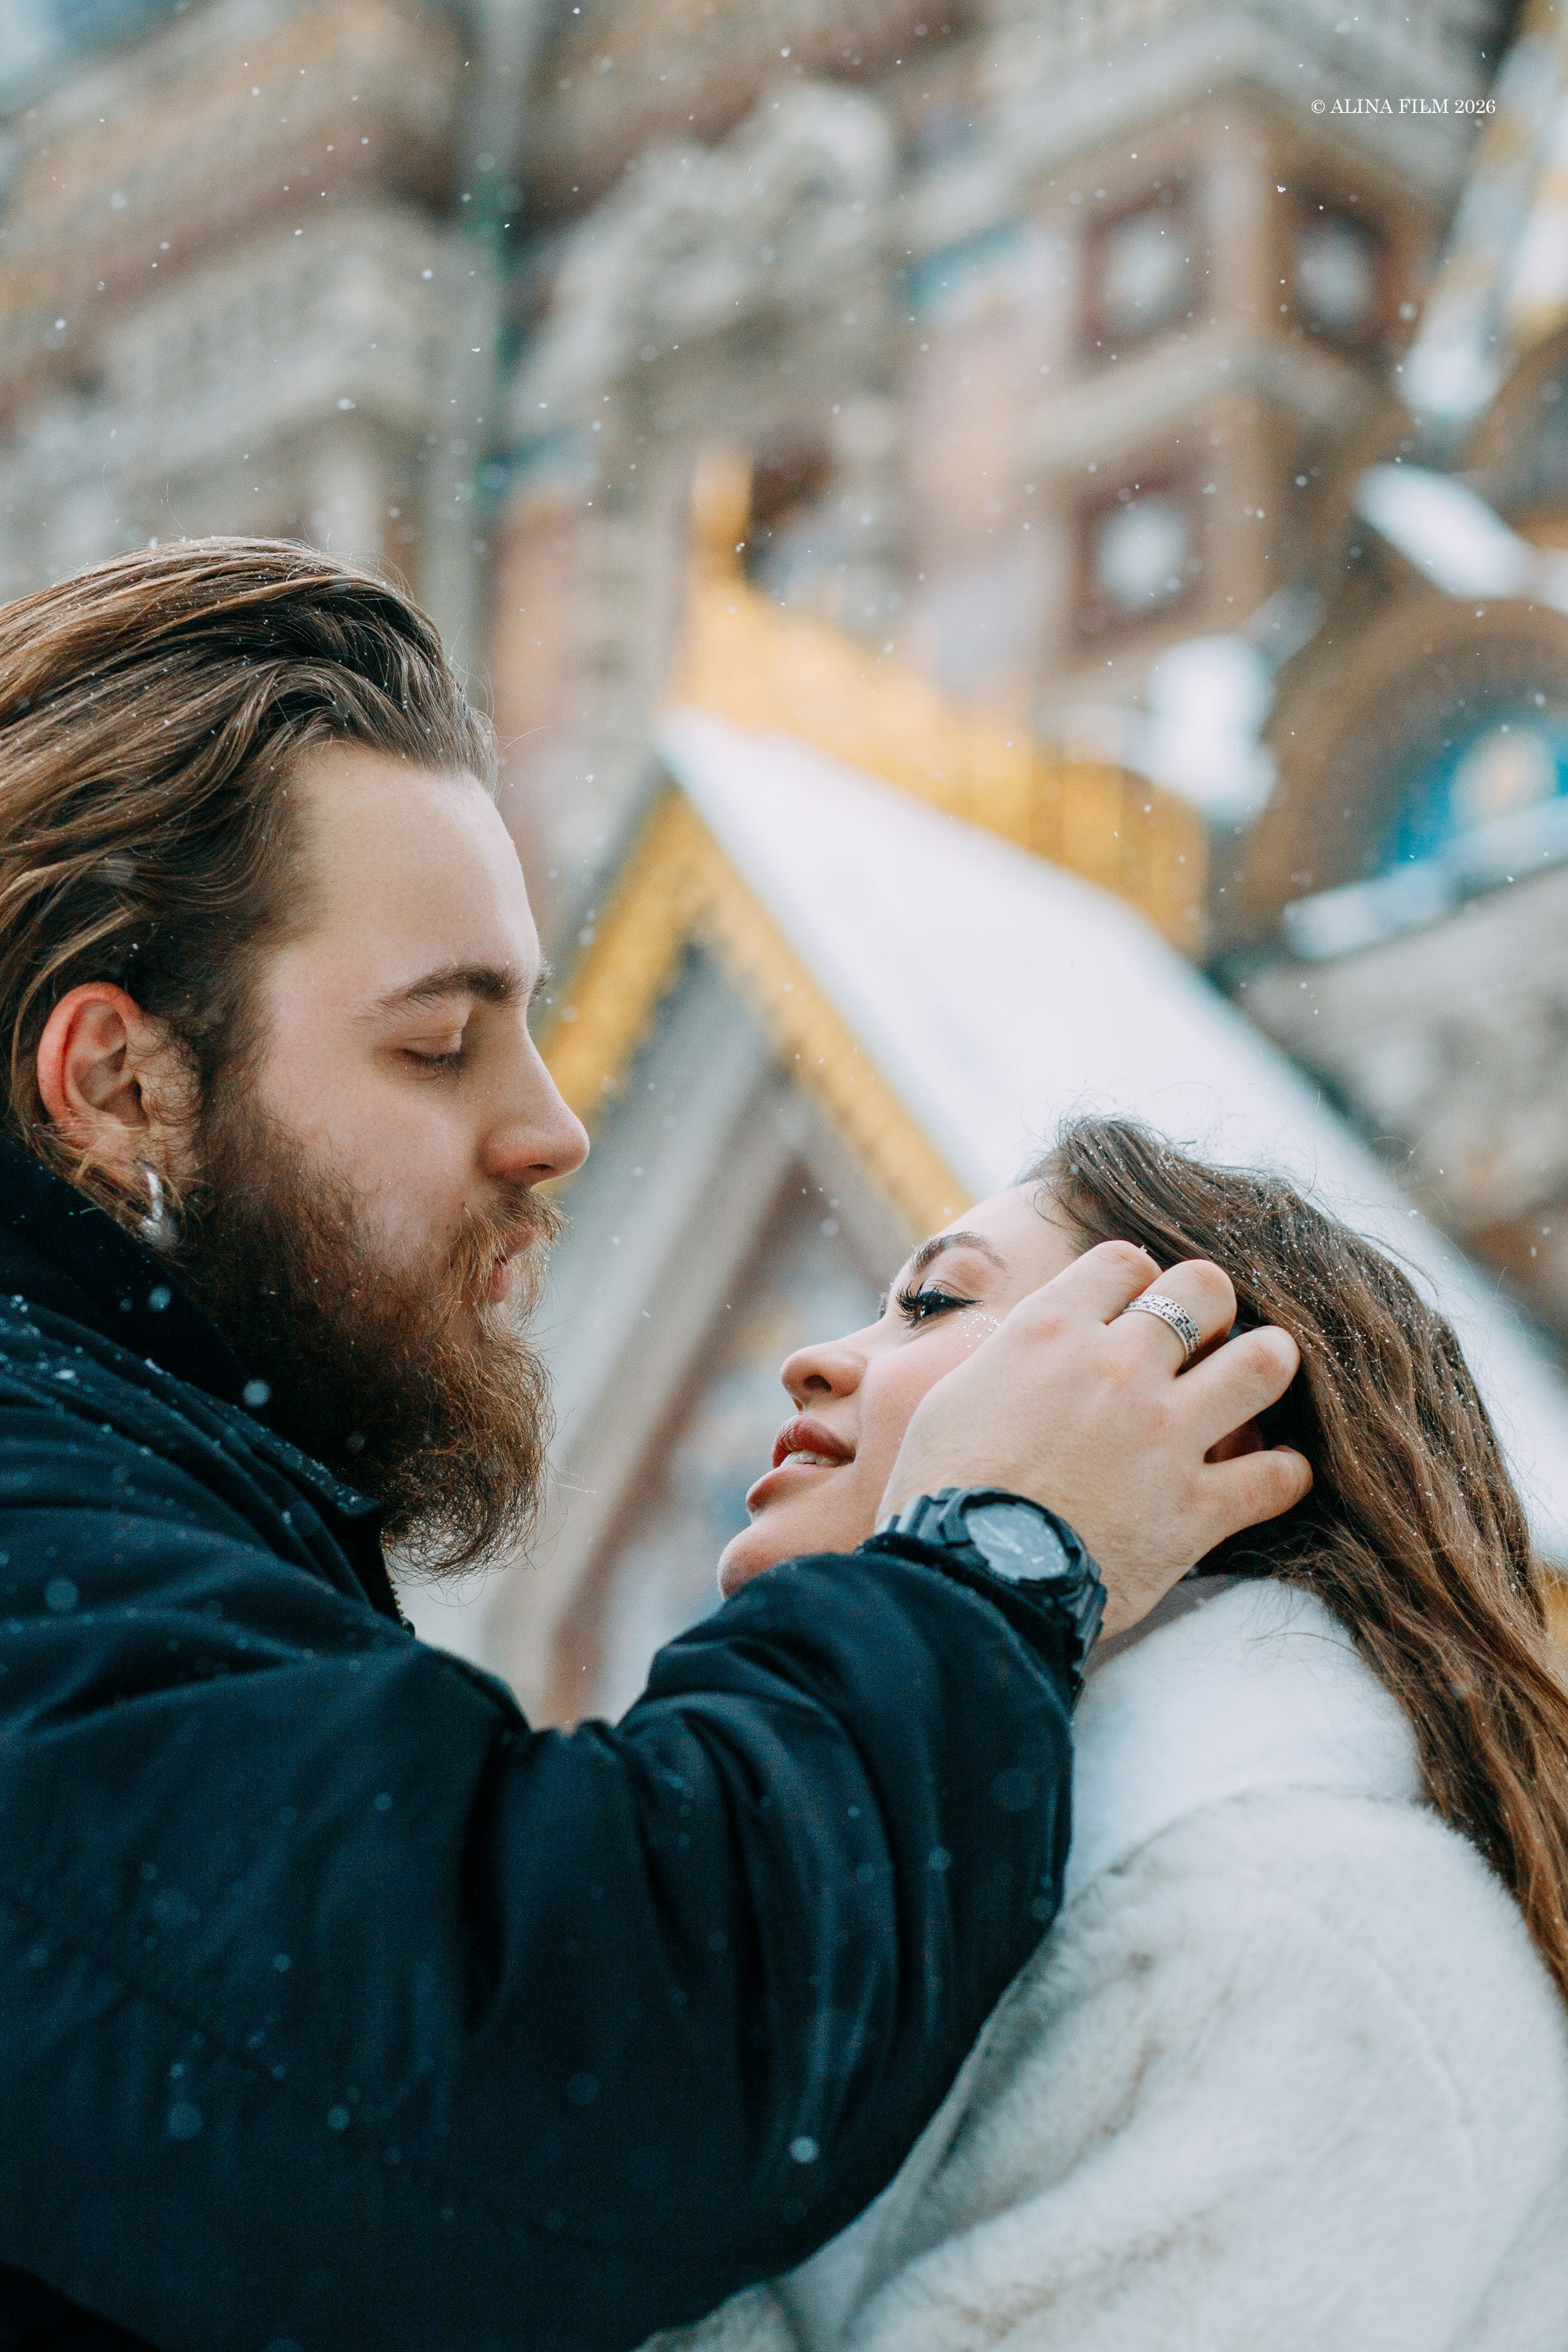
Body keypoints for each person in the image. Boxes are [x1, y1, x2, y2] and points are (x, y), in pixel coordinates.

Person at [0, 543, 1310, 2352]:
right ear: (118, 1083)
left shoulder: (1306, 1928)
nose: (553, 1126)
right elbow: (545, 2047)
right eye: (438, 1043)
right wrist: (996, 1550)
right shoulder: (33, 1523)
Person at [656, 1116, 1568, 2352]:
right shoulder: (909, 1893)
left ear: (1200, 1423)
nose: (811, 1360)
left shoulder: (1292, 1929)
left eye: (931, 1302)